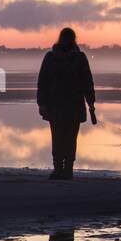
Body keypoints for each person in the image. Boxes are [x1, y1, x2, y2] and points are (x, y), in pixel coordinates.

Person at [36, 27, 96, 180]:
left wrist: (42, 103)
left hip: (57, 105)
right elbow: (87, 82)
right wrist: (91, 103)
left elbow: (42, 82)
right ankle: (66, 169)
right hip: (70, 105)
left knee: (58, 138)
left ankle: (60, 169)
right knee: (69, 139)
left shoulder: (51, 57)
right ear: (74, 39)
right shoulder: (78, 57)